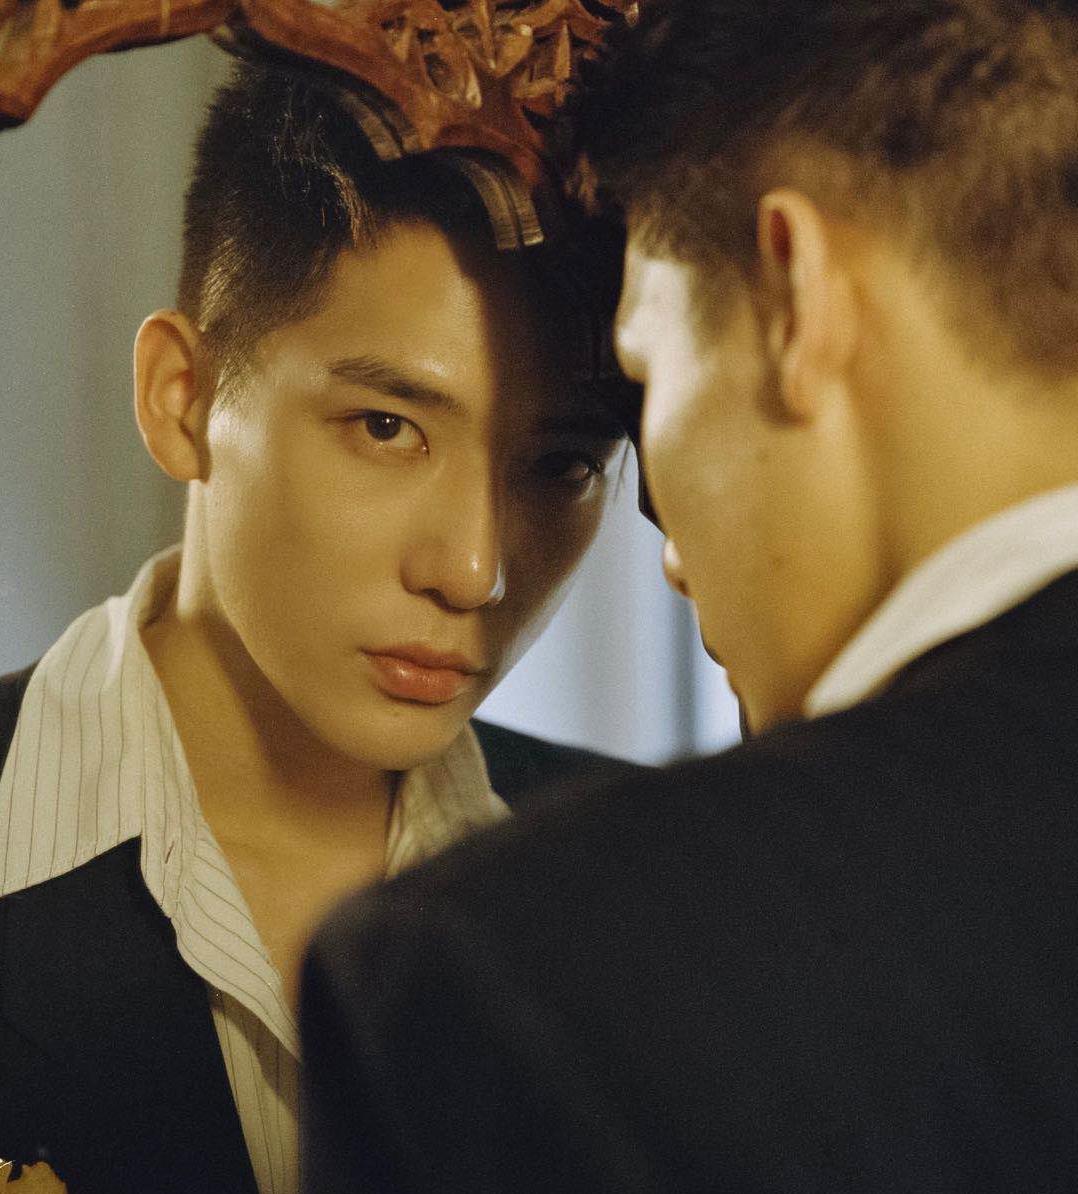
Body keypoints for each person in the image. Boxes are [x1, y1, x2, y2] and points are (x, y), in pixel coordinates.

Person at [299, 1, 1078, 1189]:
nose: (666, 553)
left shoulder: (527, 974)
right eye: (389, 426)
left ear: (798, 298)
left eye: (646, 368)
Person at [0, 61, 640, 1194]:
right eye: (387, 427)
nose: (476, 570)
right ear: (181, 398)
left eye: (560, 465)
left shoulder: (652, 886)